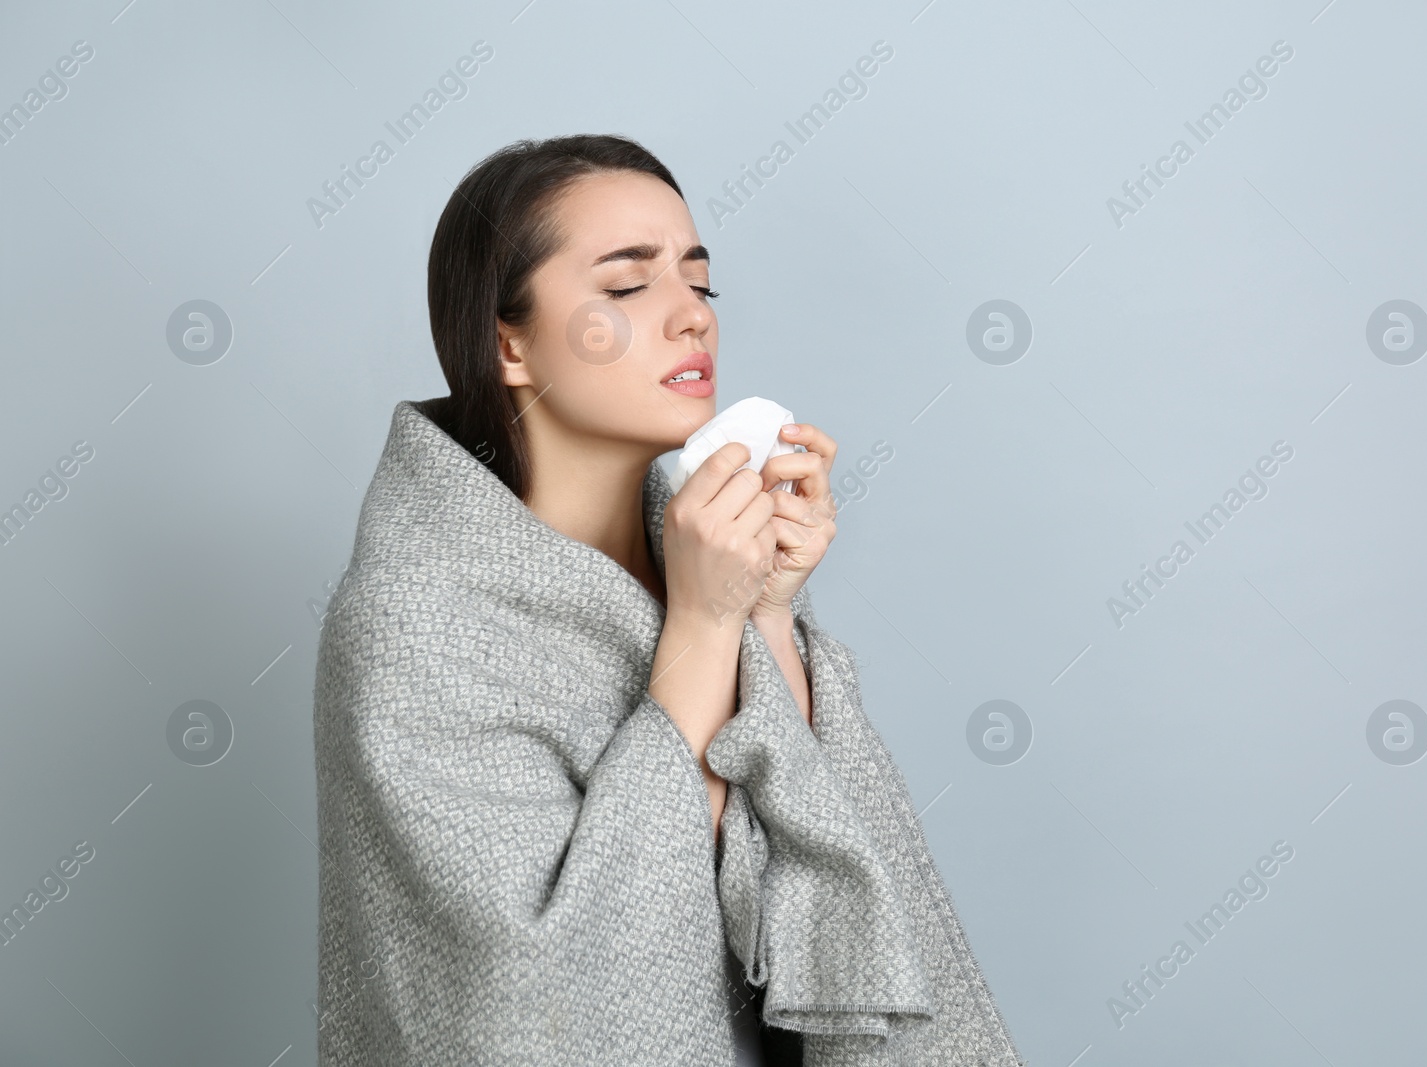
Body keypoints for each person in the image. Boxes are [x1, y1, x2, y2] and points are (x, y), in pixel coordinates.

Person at [312, 134, 1024, 1066]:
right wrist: (701, 627)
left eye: (700, 282)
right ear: (508, 342)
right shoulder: (412, 627)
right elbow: (526, 1009)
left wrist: (765, 613)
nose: (691, 316)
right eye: (627, 286)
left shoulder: (698, 561)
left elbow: (833, 894)